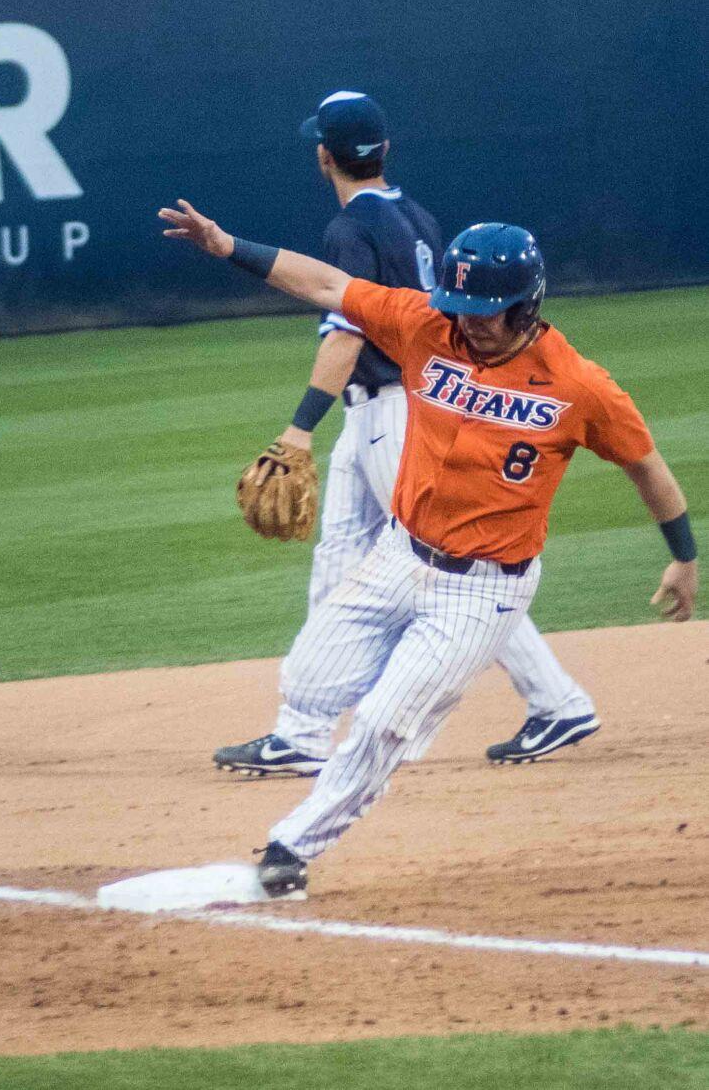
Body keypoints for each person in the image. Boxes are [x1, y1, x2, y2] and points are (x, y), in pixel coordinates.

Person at [160, 198, 696, 896]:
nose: (470, 319)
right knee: (308, 679)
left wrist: (682, 555)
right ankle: (404, 712)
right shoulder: (426, 325)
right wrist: (227, 243)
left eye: (487, 308)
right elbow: (327, 284)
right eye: (461, 303)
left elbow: (644, 463)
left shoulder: (576, 385)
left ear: (527, 306)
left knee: (383, 721)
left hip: (483, 590)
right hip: (397, 555)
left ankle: (292, 846)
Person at [215, 92, 598, 778]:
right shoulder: (414, 215)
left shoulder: (348, 230)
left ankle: (556, 699)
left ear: (322, 155)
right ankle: (300, 731)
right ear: (383, 150)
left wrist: (298, 428)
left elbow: (348, 325)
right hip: (379, 412)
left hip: (398, 412)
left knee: (449, 564)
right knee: (339, 552)